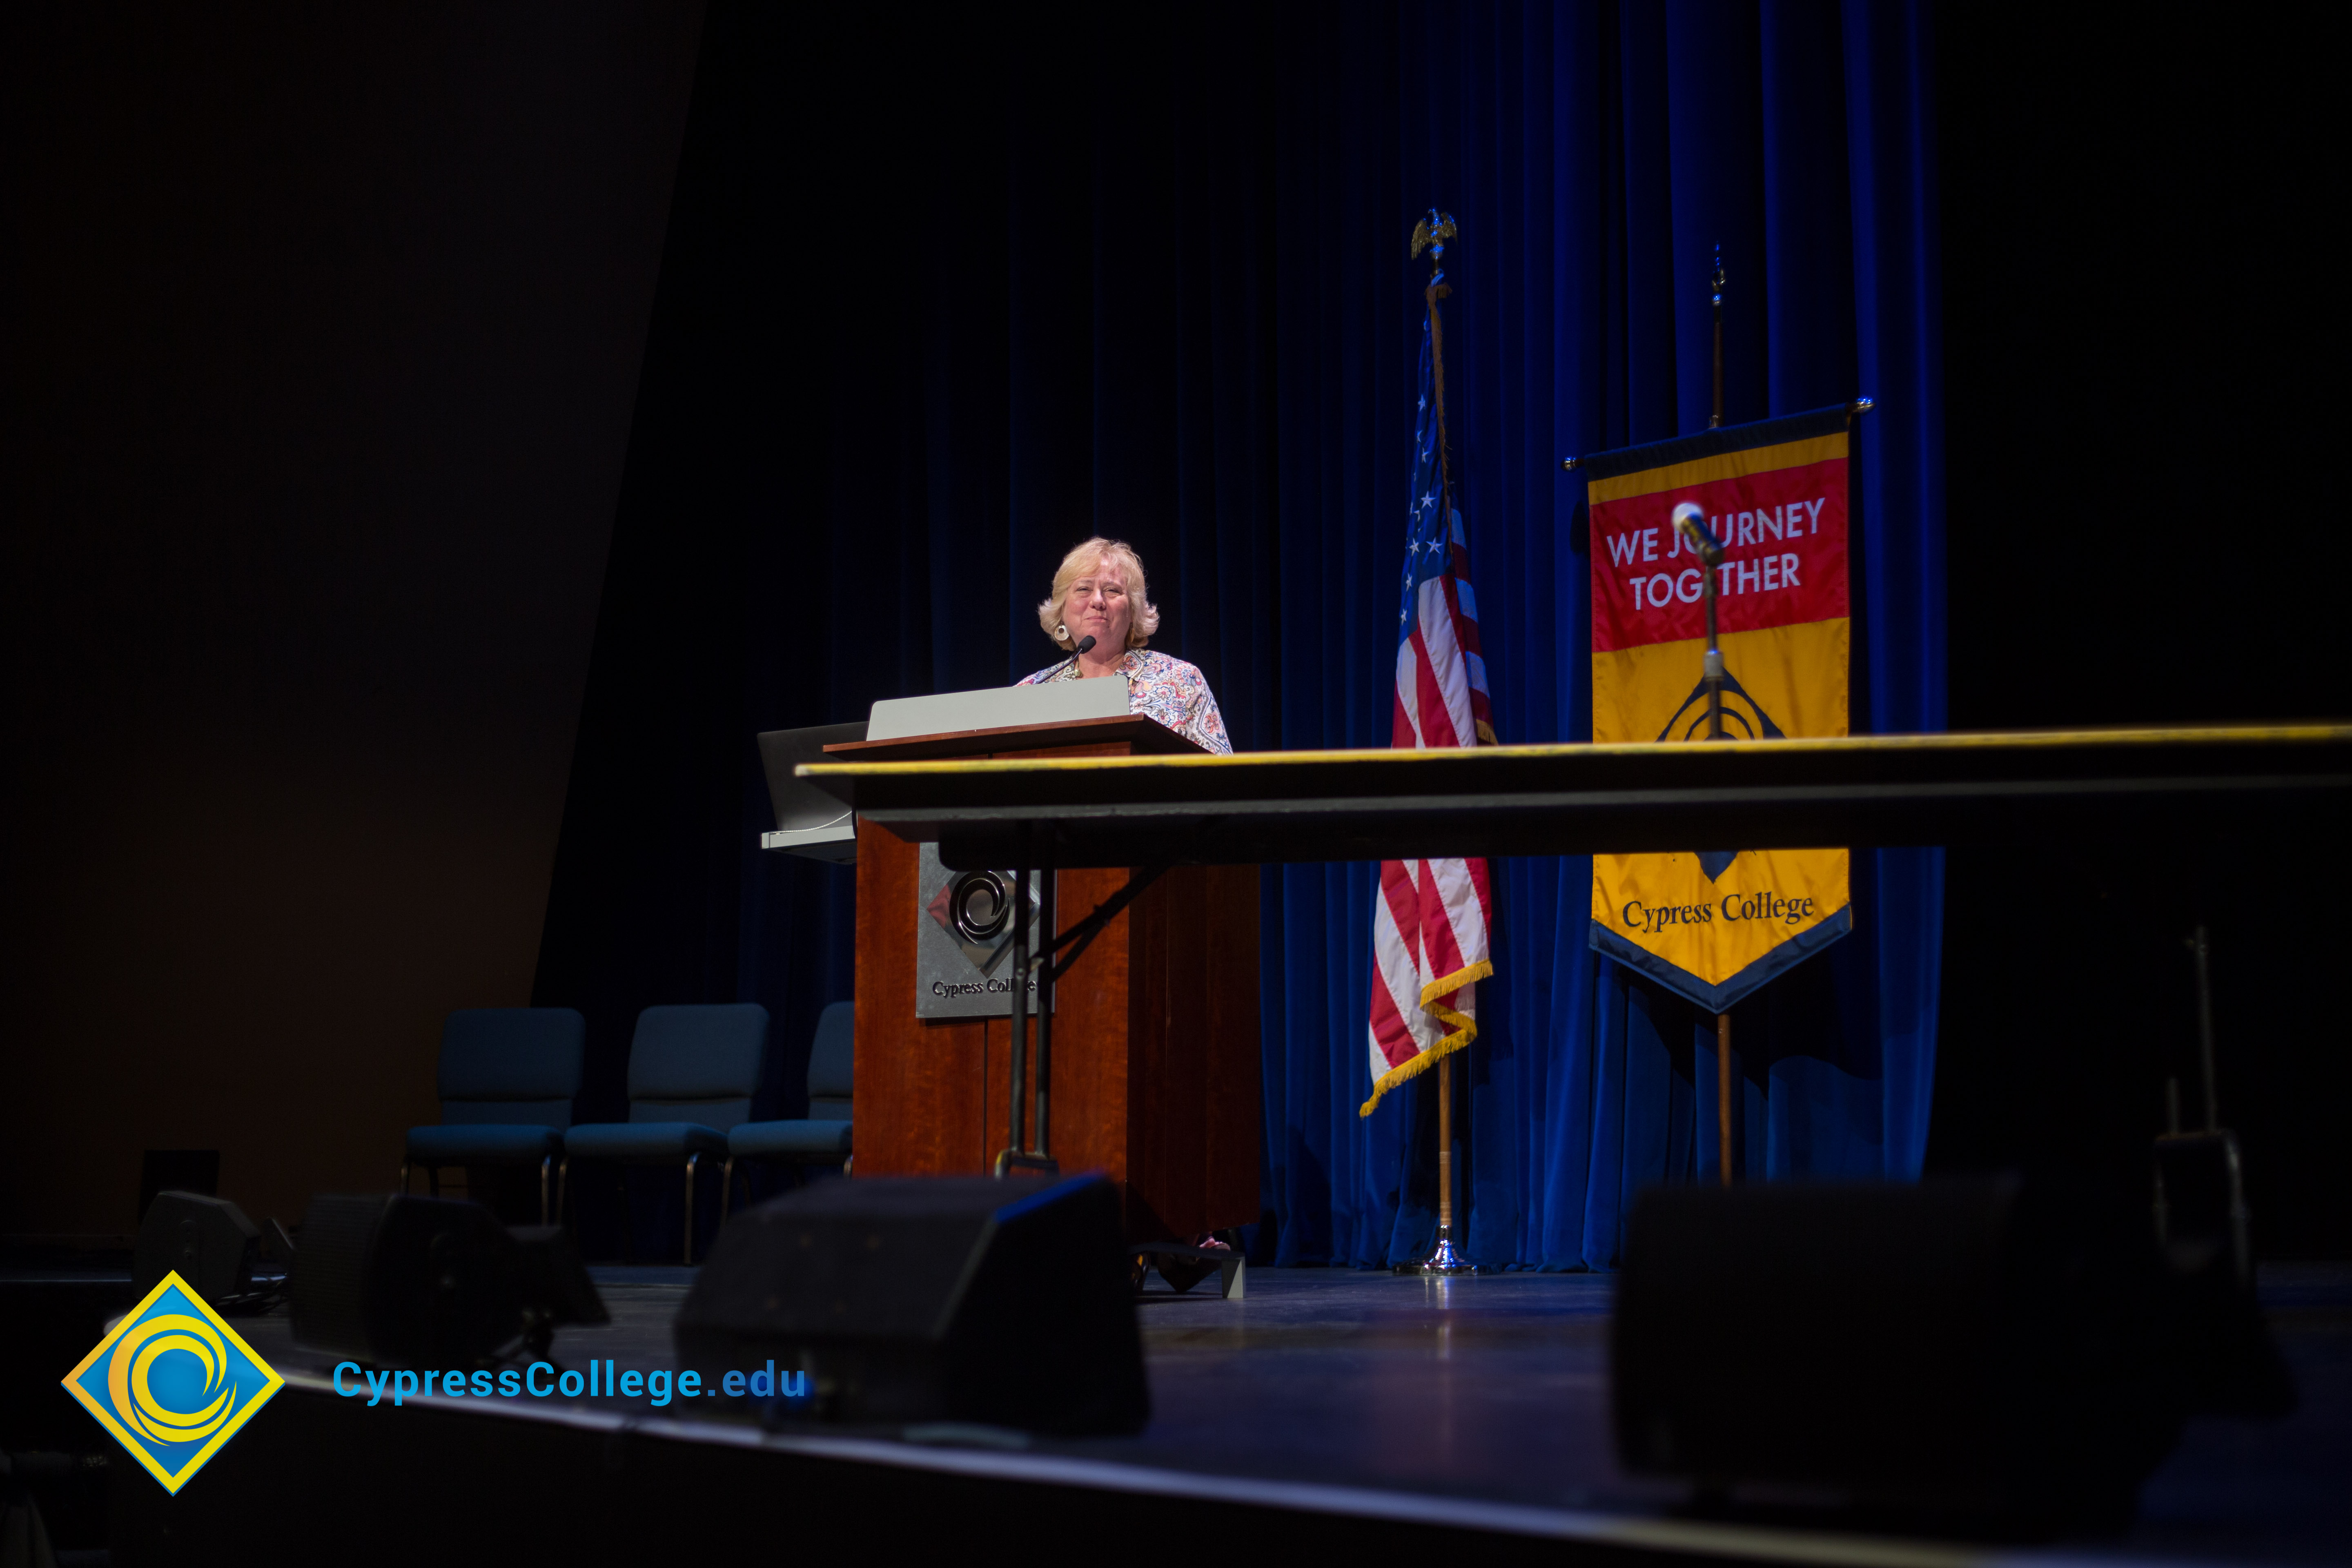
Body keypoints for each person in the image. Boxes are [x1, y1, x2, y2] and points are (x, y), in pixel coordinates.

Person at [1022, 537, 1232, 755]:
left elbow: (1222, 771)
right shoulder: (1031, 691)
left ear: (1133, 612)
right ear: (1062, 610)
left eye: (1112, 590)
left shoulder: (1182, 680)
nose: (1098, 601)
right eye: (1084, 589)